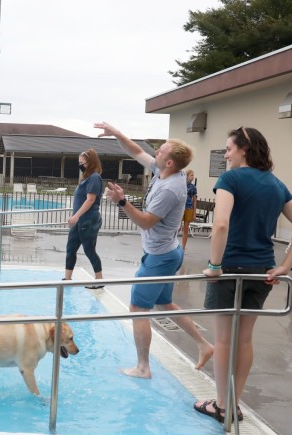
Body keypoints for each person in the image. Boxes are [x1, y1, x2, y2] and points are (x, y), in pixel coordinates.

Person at [193, 127, 292, 423]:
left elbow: (220, 224)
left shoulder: (230, 179)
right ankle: (234, 403)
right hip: (262, 270)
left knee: (223, 341)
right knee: (244, 340)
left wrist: (214, 265)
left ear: (244, 149)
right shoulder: (275, 184)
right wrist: (286, 264)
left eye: (228, 149)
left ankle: (221, 405)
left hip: (229, 269)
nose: (226, 154)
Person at [94, 121, 213, 379]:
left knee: (138, 309)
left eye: (161, 151)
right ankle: (204, 344)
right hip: (166, 252)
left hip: (160, 257)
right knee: (165, 302)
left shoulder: (170, 188)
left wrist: (122, 201)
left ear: (170, 162)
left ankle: (143, 367)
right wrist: (116, 132)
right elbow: (136, 151)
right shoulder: (165, 172)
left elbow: (146, 221)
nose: (155, 152)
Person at [63, 148, 104, 288]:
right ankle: (67, 279)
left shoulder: (94, 178)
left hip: (88, 219)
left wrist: (76, 215)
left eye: (83, 163)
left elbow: (90, 200)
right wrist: (75, 216)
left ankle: (100, 280)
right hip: (79, 220)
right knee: (70, 248)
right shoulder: (86, 178)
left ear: (90, 162)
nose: (80, 165)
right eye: (79, 162)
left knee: (89, 249)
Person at [181, 169, 197, 250]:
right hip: (180, 209)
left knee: (186, 228)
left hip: (189, 208)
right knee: (177, 228)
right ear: (186, 176)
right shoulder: (181, 185)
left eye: (193, 175)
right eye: (191, 175)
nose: (193, 177)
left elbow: (194, 200)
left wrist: (194, 213)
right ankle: (172, 246)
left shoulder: (193, 187)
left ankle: (183, 248)